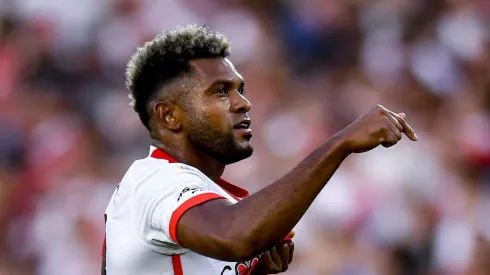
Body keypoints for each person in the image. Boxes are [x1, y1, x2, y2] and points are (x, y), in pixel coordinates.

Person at [102, 24, 418, 275]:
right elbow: (234, 235)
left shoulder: (198, 194)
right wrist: (339, 143)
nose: (243, 102)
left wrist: (252, 269)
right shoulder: (154, 179)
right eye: (220, 92)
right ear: (169, 116)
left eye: (239, 89)